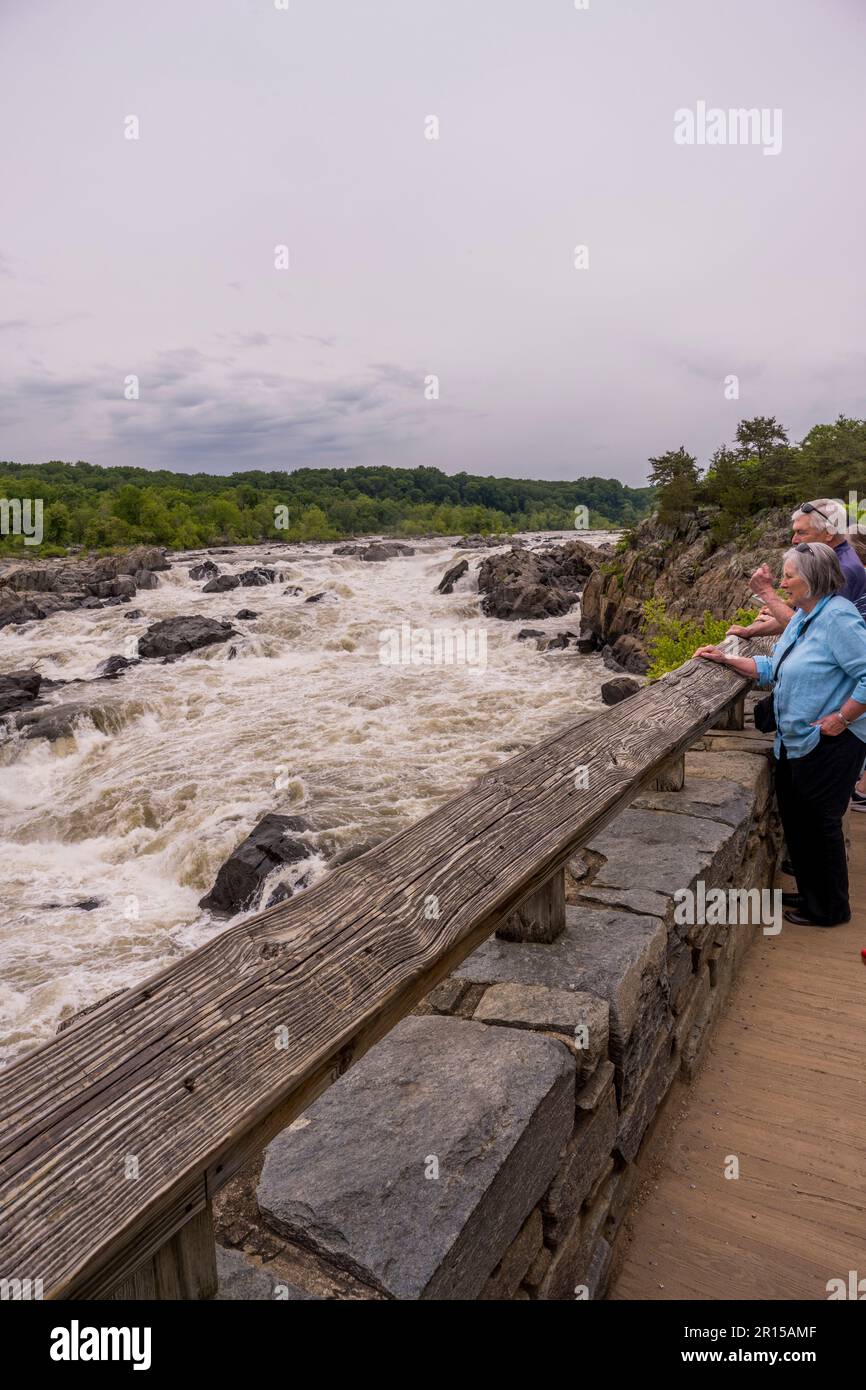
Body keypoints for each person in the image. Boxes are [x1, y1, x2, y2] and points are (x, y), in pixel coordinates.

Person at [695, 542, 866, 927]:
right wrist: (726, 659)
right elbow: (774, 666)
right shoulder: (808, 615)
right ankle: (810, 893)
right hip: (797, 741)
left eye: (789, 576)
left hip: (830, 741)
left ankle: (830, 909)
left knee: (820, 823)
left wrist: (841, 717)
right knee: (800, 820)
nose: (784, 582)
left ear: (811, 579)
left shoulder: (839, 619)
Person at [727, 499, 866, 642]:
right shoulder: (834, 559)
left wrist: (766, 594)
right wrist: (749, 631)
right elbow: (803, 616)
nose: (794, 540)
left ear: (829, 533)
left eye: (801, 532)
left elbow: (809, 628)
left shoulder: (842, 570)